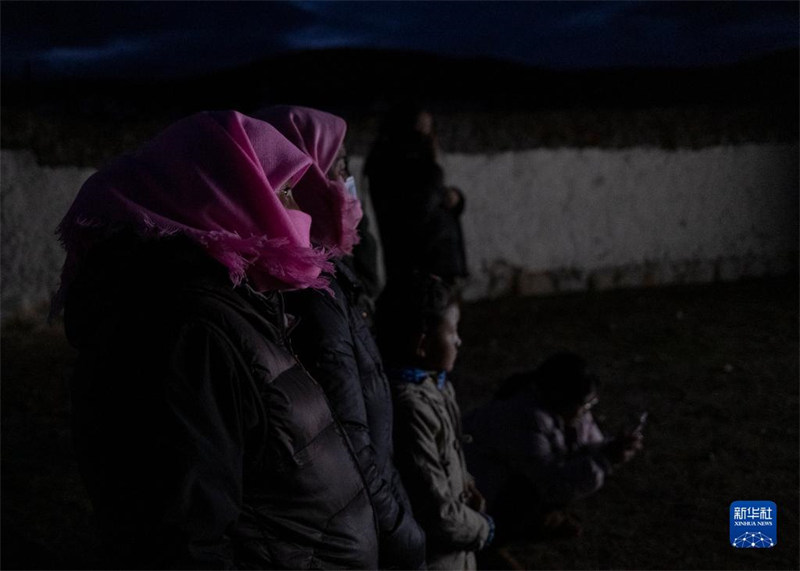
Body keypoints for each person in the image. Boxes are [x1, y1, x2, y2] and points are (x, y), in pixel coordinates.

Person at [54, 110, 379, 569]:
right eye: (284, 191)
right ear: (230, 197)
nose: (300, 210)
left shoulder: (231, 305)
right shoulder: (188, 331)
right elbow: (186, 536)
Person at [253, 105, 427, 569]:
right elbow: (349, 437)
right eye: (339, 165)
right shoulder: (311, 293)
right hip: (361, 525)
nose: (348, 181)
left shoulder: (332, 275)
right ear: (303, 177)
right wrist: (401, 532)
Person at [375, 273, 493, 570]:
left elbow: (447, 460)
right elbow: (437, 512)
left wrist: (466, 485)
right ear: (422, 343)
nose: (459, 340)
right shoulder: (411, 408)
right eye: (452, 332)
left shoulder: (435, 385)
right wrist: (483, 529)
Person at [462, 352, 644, 543]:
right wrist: (604, 459)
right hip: (477, 489)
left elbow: (585, 444)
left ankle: (538, 521)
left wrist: (611, 447)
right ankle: (498, 533)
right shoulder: (522, 418)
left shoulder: (570, 410)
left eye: (592, 402)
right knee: (526, 491)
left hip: (506, 479)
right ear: (560, 395)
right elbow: (551, 483)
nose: (587, 409)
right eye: (585, 403)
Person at [364, 101, 468, 289]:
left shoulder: (420, 166)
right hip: (419, 271)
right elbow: (418, 210)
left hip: (435, 270)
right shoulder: (393, 165)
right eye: (420, 131)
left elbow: (437, 202)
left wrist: (456, 198)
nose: (429, 139)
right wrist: (434, 170)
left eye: (429, 131)